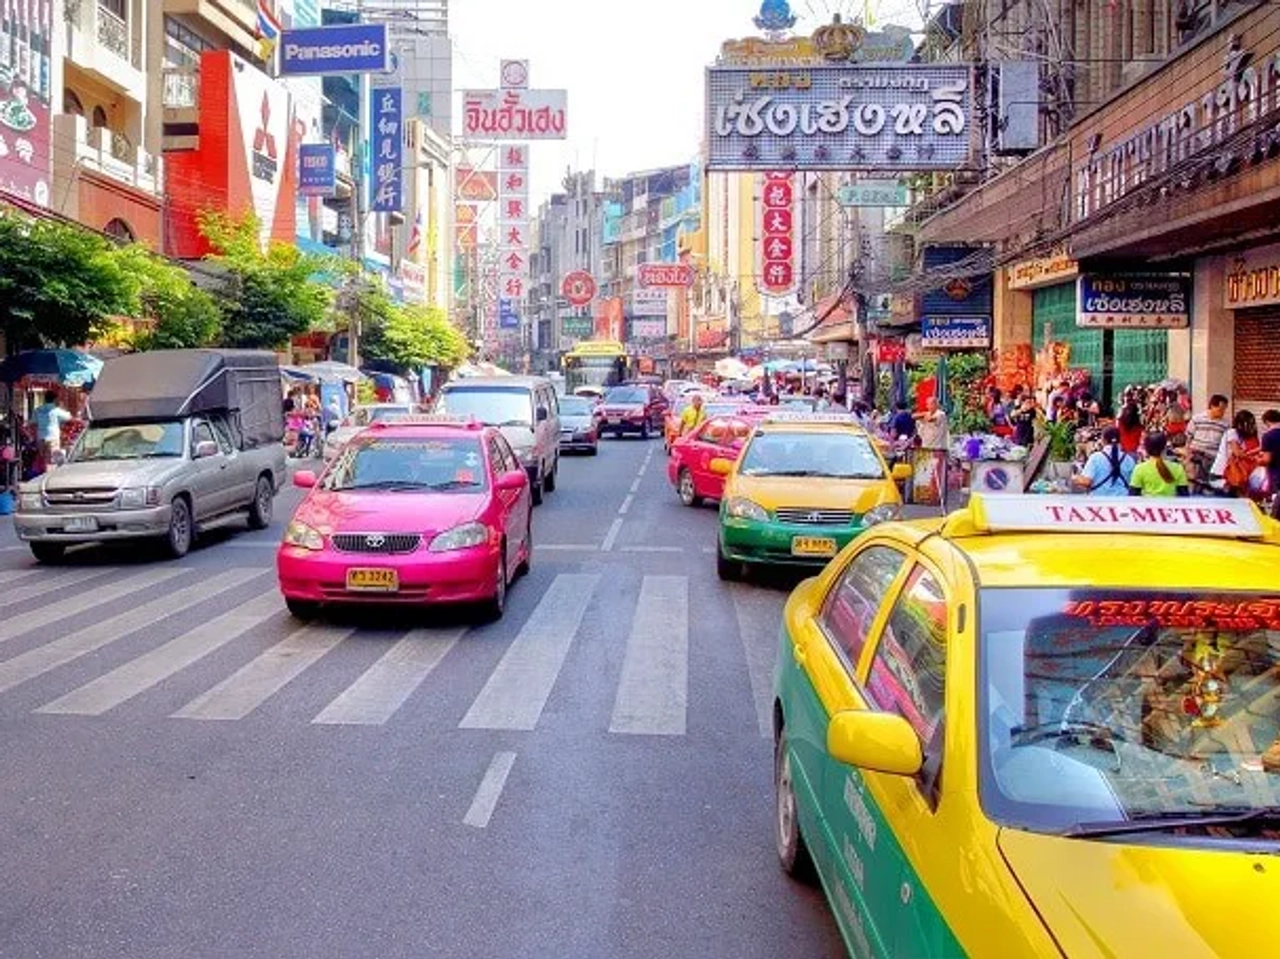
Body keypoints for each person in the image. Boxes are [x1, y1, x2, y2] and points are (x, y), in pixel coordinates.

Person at [1073, 426, 1135, 496]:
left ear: (1103, 440)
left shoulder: (1096, 457)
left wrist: (1073, 478)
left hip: (1099, 502)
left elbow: (1086, 481)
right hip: (1123, 502)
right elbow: (1132, 484)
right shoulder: (1129, 459)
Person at [1185, 393, 1230, 489]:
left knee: (1207, 485)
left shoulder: (1225, 424)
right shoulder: (1197, 418)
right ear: (1212, 406)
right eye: (1220, 409)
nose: (1223, 412)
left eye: (1224, 410)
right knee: (1193, 482)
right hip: (1195, 455)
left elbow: (1225, 444)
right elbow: (1188, 436)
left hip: (1212, 458)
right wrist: (1187, 454)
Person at [1128, 432, 1189, 497]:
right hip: (1170, 506)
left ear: (1146, 449)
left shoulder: (1139, 469)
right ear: (1165, 448)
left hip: (1147, 506)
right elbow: (1184, 495)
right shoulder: (1178, 468)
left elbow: (1133, 496)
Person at [34, 389, 72, 473]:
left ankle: (42, 475)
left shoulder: (37, 410)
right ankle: (48, 477)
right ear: (54, 399)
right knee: (52, 460)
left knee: (43, 459)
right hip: (52, 437)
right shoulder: (56, 410)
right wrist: (62, 407)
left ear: (45, 399)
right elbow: (69, 417)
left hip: (41, 437)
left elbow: (34, 423)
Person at [1260, 409, 1280, 519]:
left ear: (1267, 421)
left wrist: (1257, 461)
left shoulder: (1268, 436)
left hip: (1277, 475)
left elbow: (1267, 459)